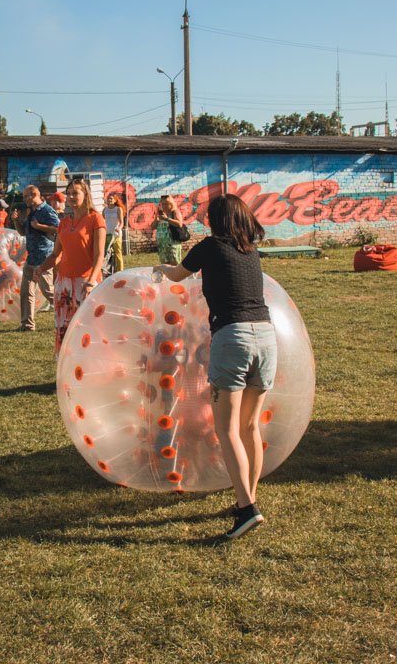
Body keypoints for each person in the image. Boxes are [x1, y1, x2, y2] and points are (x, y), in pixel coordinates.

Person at [154, 194, 276, 540]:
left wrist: (162, 271)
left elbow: (178, 275)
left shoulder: (209, 247)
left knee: (227, 431)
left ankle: (247, 508)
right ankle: (247, 500)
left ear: (217, 220)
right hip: (266, 338)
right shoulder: (250, 251)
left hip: (233, 337)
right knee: (250, 426)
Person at [35, 179, 105, 353]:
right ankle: (67, 367)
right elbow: (55, 254)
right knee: (64, 328)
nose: (72, 197)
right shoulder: (64, 223)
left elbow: (99, 255)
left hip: (87, 283)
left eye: (76, 193)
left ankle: (89, 367)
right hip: (64, 283)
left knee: (89, 326)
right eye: (69, 193)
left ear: (85, 194)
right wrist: (41, 268)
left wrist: (90, 281)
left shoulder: (95, 219)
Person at [17, 185, 59, 331]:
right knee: (26, 292)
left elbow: (59, 229)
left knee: (49, 291)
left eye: (25, 196)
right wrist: (16, 221)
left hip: (44, 257)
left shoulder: (46, 211)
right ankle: (27, 325)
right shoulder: (31, 212)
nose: (24, 200)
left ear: (33, 194)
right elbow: (23, 233)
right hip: (31, 258)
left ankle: (72, 313)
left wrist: (40, 226)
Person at [155, 195, 187, 265]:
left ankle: (177, 276)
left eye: (166, 204)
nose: (164, 206)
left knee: (174, 264)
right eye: (163, 204)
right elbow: (153, 226)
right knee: (165, 266)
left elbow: (179, 224)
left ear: (171, 204)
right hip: (162, 244)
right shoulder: (161, 213)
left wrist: (166, 219)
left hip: (173, 243)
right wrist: (156, 218)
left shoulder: (175, 211)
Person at [103, 193, 126, 275]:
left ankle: (121, 271)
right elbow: (103, 222)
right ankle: (107, 269)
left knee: (118, 252)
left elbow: (121, 222)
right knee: (106, 252)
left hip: (116, 234)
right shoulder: (105, 210)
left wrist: (119, 228)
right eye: (108, 198)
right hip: (107, 233)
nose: (109, 200)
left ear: (115, 200)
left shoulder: (118, 209)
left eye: (111, 198)